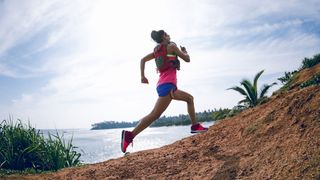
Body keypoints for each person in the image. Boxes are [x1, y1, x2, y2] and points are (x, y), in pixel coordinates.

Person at [121, 30, 208, 153]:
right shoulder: (172, 46)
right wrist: (184, 51)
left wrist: (143, 76)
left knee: (189, 99)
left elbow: (142, 60)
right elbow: (187, 59)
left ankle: (195, 126)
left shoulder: (157, 51)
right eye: (167, 34)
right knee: (154, 115)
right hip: (168, 86)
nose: (170, 36)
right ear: (163, 36)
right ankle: (129, 135)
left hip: (164, 85)